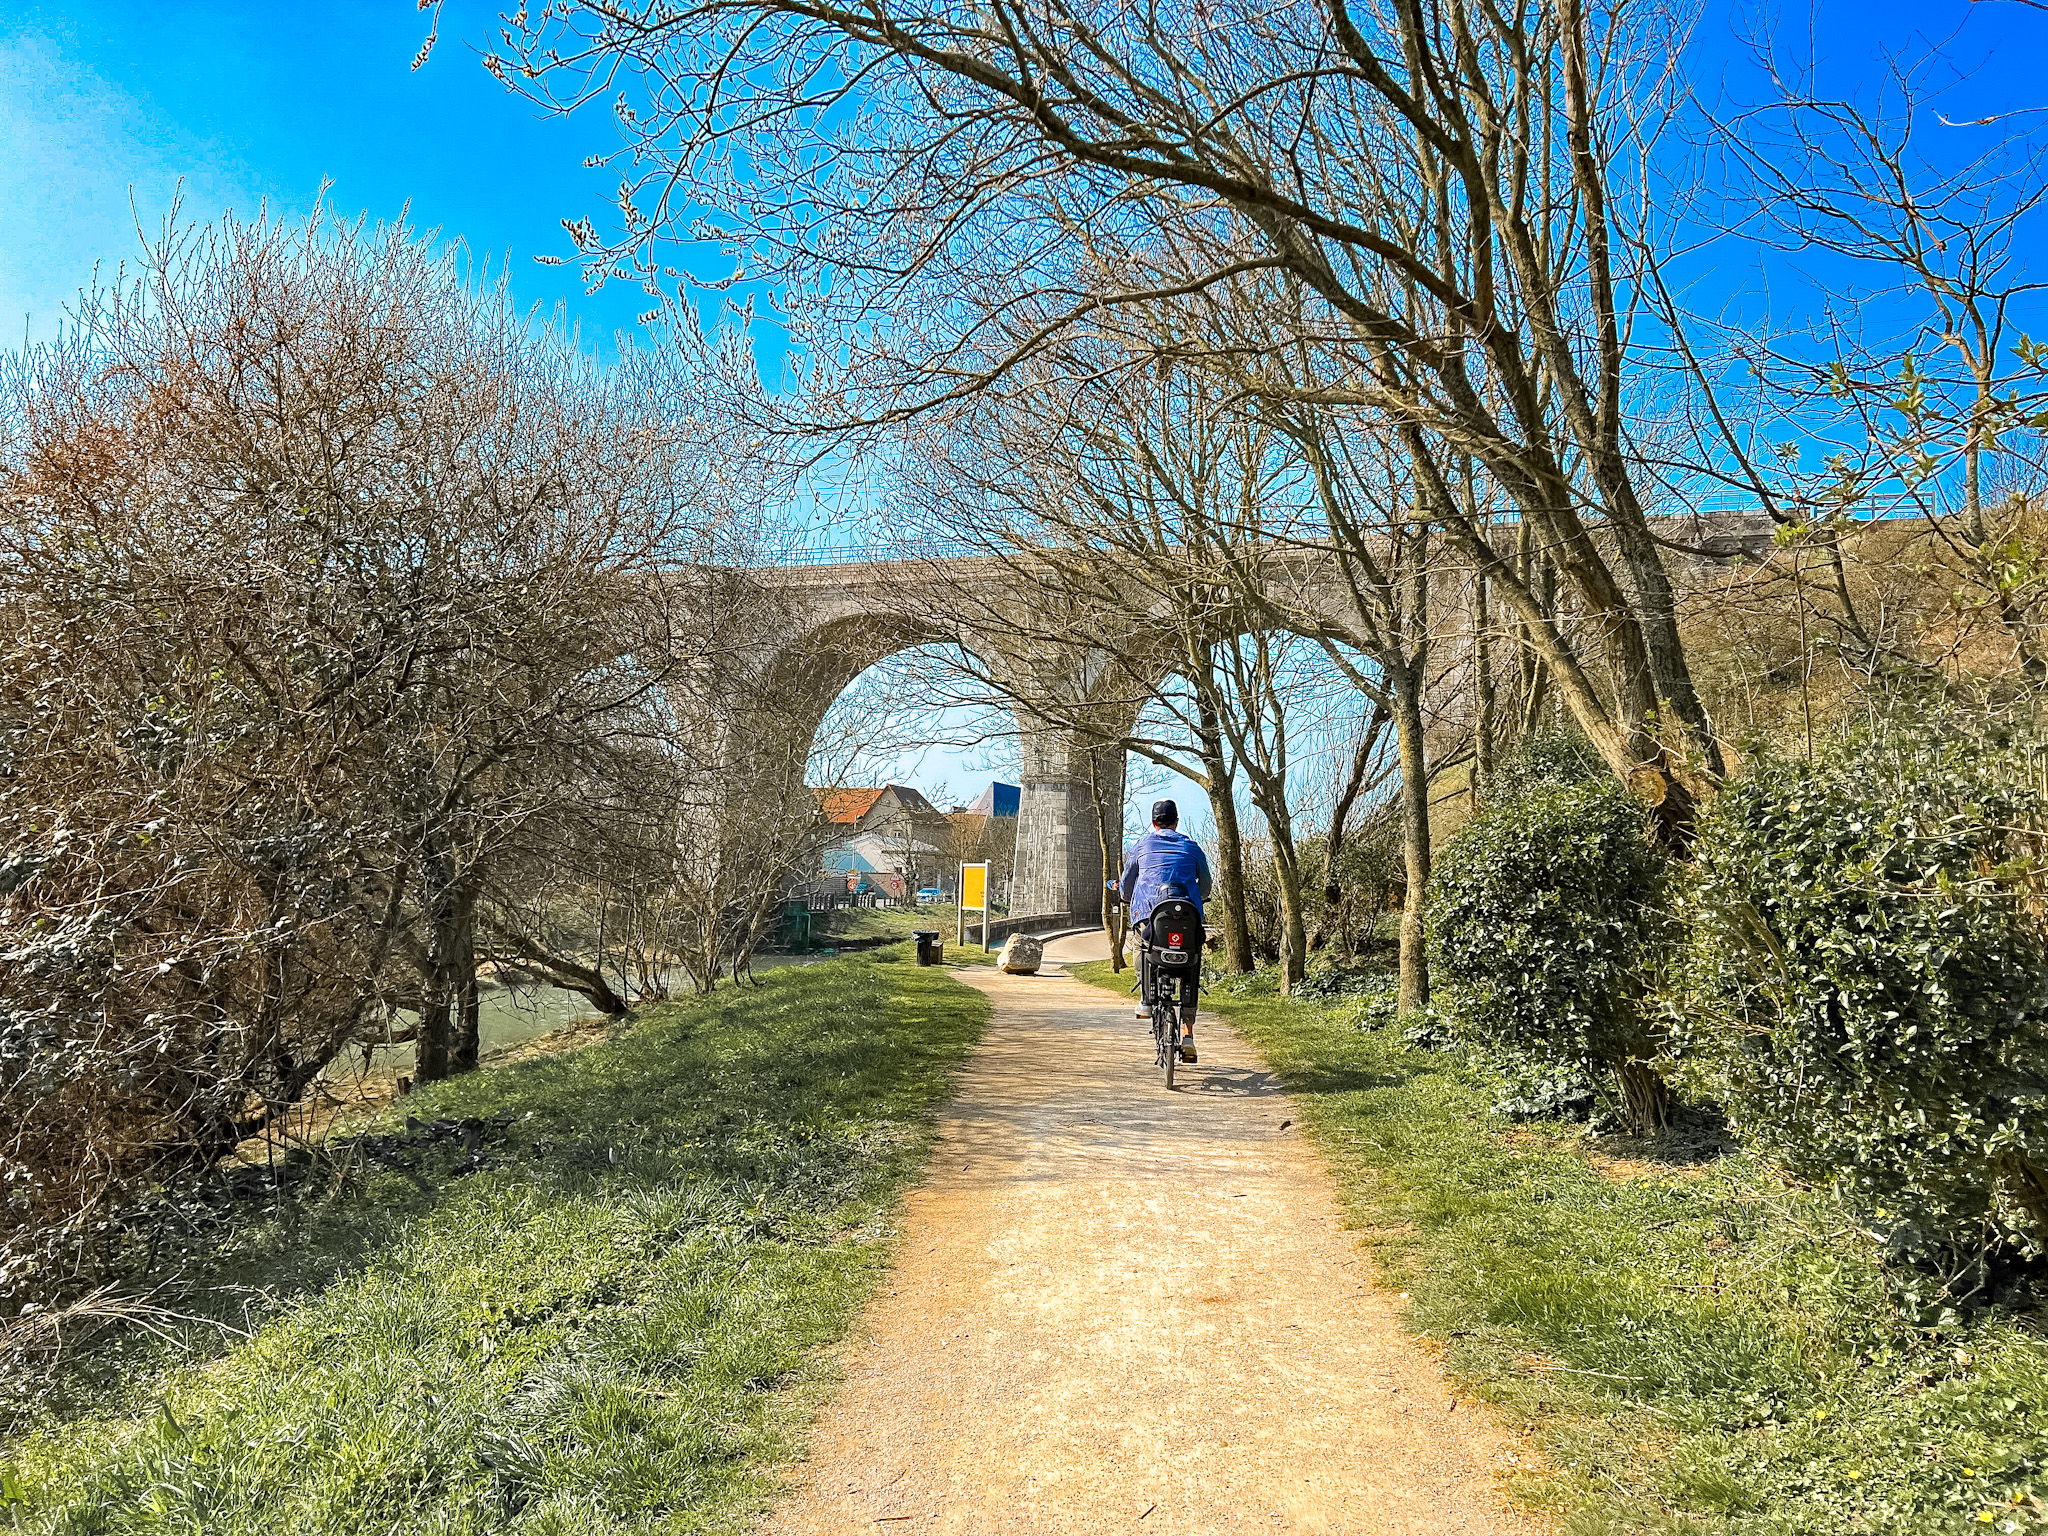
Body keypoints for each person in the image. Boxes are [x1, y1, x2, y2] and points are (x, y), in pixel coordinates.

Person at [1119, 798, 1213, 1062]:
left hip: (1150, 917)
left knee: (1141, 945)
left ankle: (1147, 999)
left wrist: (1127, 898)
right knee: (1192, 962)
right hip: (1188, 919)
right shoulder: (1192, 848)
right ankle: (1189, 1036)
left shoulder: (1141, 846)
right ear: (1177, 821)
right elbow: (1205, 884)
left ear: (1153, 822)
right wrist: (1200, 898)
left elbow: (1127, 883)